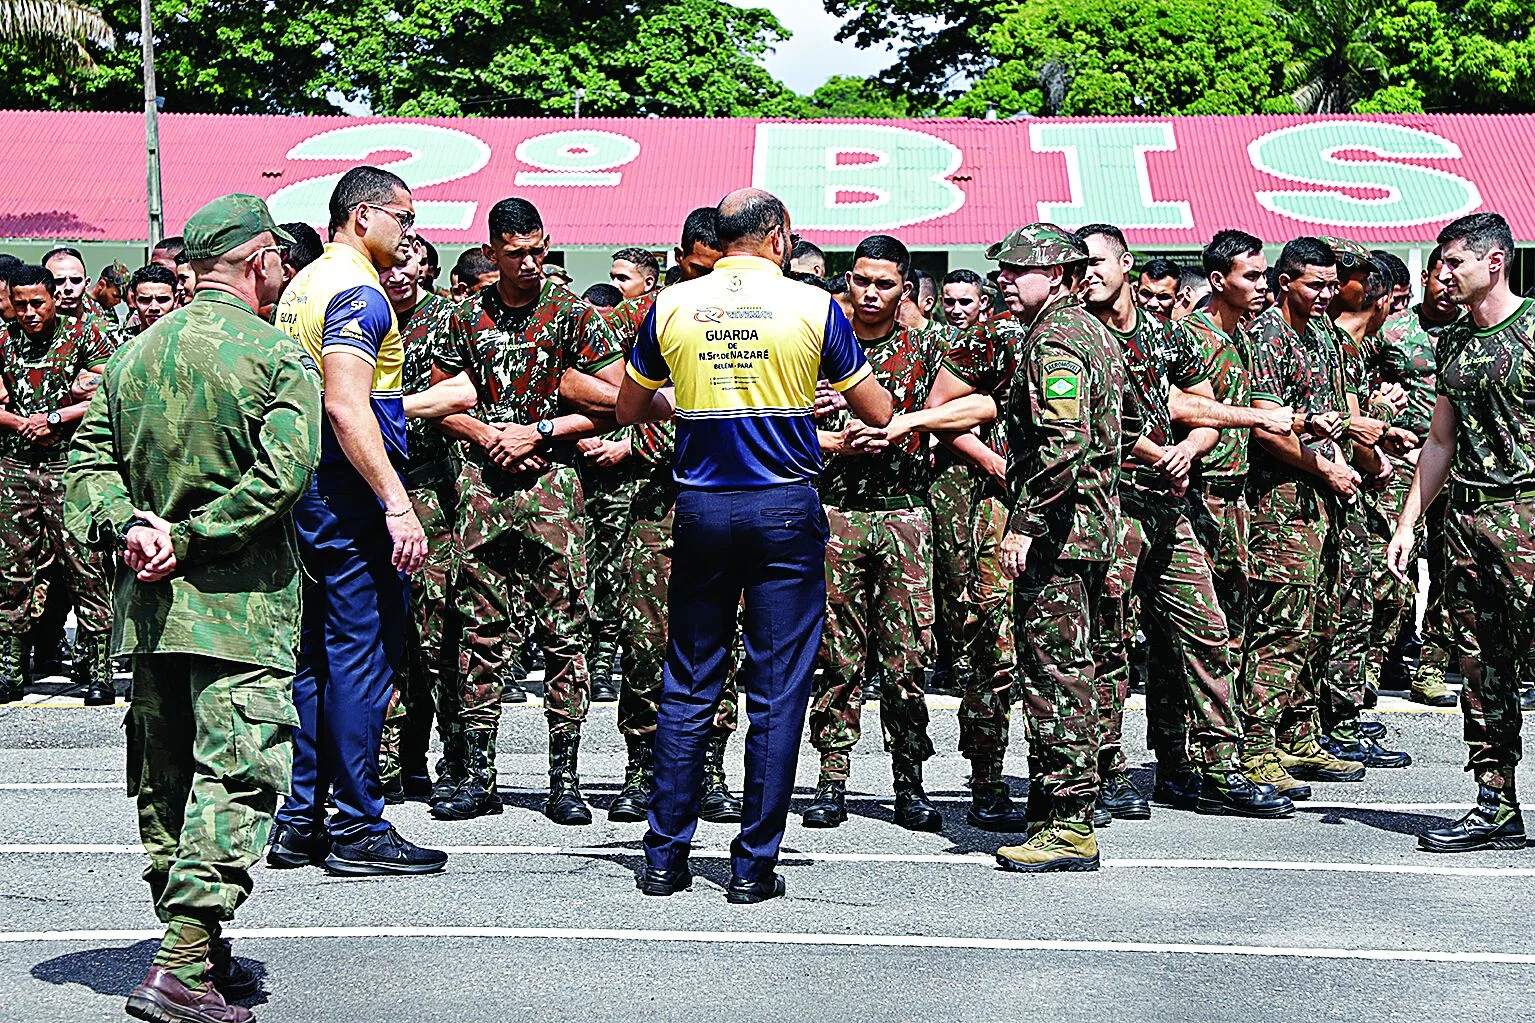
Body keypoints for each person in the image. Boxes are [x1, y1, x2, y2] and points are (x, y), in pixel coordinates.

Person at [64, 193, 320, 1023]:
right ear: (255, 260)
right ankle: (181, 963)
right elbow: (284, 476)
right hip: (239, 605)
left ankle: (199, 950)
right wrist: (194, 533)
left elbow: (86, 471)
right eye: (278, 257)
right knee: (236, 775)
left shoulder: (131, 355)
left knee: (167, 780)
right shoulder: (278, 357)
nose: (282, 270)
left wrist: (134, 527)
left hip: (150, 608)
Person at [618, 187, 892, 902]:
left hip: (702, 504)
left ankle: (662, 856)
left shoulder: (672, 303)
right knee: (776, 692)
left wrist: (687, 402)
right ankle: (751, 867)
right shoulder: (812, 305)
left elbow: (625, 405)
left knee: (687, 682)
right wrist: (805, 394)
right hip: (782, 505)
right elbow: (877, 410)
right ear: (778, 235)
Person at [1076, 223, 1293, 821]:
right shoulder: (1075, 337)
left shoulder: (1163, 336)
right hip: (1105, 508)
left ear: (1126, 264)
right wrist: (1161, 450)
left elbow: (1191, 405)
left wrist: (1190, 448)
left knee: (1204, 629)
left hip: (1166, 506)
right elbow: (1103, 425)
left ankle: (1216, 766)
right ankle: (1104, 772)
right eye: (1079, 264)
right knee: (1107, 642)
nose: (1088, 273)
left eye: (1097, 262)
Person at [268, 165, 448, 877]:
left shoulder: (302, 283)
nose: (409, 233)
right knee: (360, 657)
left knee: (316, 656)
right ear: (364, 215)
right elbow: (347, 405)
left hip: (307, 484)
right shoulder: (358, 291)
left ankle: (300, 816)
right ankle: (357, 823)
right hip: (345, 491)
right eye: (403, 217)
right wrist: (396, 501)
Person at [428, 197, 626, 824]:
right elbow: (434, 400)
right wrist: (488, 436)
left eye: (539, 250)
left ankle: (564, 780)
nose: (532, 263)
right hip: (482, 488)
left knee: (565, 631)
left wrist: (537, 432)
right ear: (491, 253)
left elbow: (615, 405)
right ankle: (478, 774)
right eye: (517, 254)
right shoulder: (461, 318)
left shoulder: (577, 316)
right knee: (479, 627)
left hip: (553, 488)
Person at [980, 224, 1123, 872]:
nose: (1007, 280)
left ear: (1060, 275)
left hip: (1062, 536)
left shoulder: (1059, 338)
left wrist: (1022, 524)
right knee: (1075, 669)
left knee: (1055, 674)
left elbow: (1062, 447)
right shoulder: (1087, 329)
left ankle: (1067, 822)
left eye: (1019, 271)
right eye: (1005, 271)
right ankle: (1057, 806)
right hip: (1085, 531)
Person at [1388, 212, 1531, 853]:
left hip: (1527, 514)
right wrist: (1409, 521)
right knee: (1478, 663)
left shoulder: (1531, 328)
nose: (1442, 275)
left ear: (1493, 262)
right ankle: (1496, 801)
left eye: (1454, 262)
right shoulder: (1453, 343)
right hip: (1467, 524)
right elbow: (1440, 440)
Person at [800, 234, 944, 832]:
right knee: (836, 652)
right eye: (861, 280)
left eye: (884, 284)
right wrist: (821, 419)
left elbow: (973, 407)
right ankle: (832, 777)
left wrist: (905, 425)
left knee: (908, 654)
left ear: (904, 289)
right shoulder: (815, 345)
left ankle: (909, 779)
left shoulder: (927, 350)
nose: (870, 293)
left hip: (902, 512)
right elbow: (772, 419)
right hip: (836, 511)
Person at [602, 207, 741, 824]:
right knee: (643, 640)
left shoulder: (746, 316)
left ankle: (708, 770)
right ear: (680, 257)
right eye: (698, 269)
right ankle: (641, 771)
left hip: (725, 500)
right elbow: (597, 388)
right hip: (658, 502)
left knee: (723, 640)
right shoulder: (645, 317)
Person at [1242, 237, 1364, 792]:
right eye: (1314, 284)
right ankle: (1257, 747)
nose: (1324, 294)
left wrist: (1363, 456)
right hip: (1281, 506)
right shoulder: (1269, 336)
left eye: (1330, 285)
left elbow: (1337, 417)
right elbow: (1269, 431)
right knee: (1280, 627)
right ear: (1285, 281)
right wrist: (1327, 470)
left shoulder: (1324, 338)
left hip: (1323, 503)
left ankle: (1298, 734)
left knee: (1320, 623)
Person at [375, 238, 476, 805]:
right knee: (388, 628)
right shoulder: (357, 311)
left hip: (433, 489)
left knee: (439, 631)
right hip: (374, 486)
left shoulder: (445, 321)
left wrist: (387, 405)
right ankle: (392, 762)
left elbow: (460, 396)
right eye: (393, 264)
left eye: (412, 265)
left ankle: (451, 760)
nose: (401, 274)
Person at [0, 265, 117, 706]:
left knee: (85, 566)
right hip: (14, 468)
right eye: (21, 304)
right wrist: (18, 422)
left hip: (68, 466)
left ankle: (97, 667)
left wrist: (53, 418)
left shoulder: (84, 335)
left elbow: (103, 394)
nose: (29, 313)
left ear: (52, 298)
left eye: (38, 303)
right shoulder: (3, 339)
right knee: (12, 571)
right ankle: (9, 669)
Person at [1374, 246, 1460, 707]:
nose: (1447, 285)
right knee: (1393, 570)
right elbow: (1364, 383)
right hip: (1406, 469)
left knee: (1448, 576)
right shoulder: (1394, 332)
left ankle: (1430, 667)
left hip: (1463, 472)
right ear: (1424, 277)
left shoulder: (1472, 332)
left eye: (1454, 277)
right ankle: (1378, 664)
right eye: (1438, 277)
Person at [125, 264, 179, 338]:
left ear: (175, 300)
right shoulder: (119, 342)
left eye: (162, 299)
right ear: (134, 300)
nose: (154, 308)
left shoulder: (189, 340)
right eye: (145, 300)